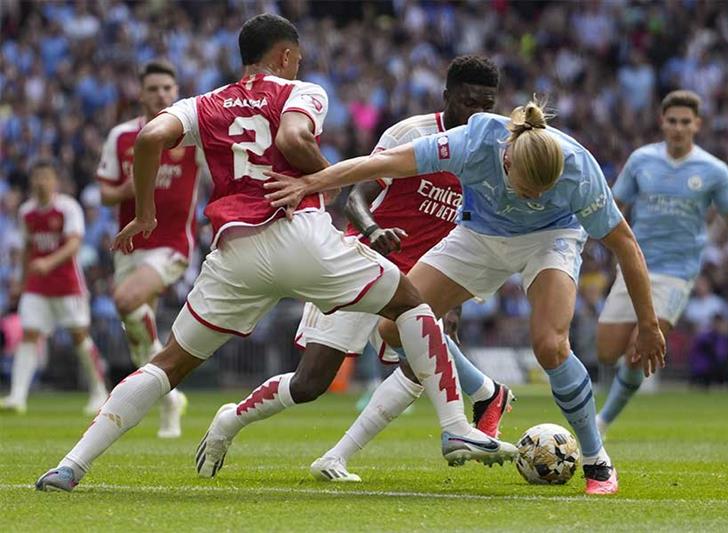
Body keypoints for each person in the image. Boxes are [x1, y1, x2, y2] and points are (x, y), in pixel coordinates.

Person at [35, 13, 516, 493]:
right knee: (411, 303)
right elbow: (291, 137)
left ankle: (71, 466)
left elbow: (148, 138)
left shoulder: (202, 103)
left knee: (169, 363)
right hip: (299, 233)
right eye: (297, 58)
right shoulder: (301, 91)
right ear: (285, 56)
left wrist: (143, 214)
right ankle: (455, 427)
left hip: (234, 252)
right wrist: (325, 179)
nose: (298, 64)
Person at [261, 98, 668, 496]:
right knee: (393, 328)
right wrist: (311, 182)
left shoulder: (578, 171)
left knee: (551, 346)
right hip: (479, 237)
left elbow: (626, 245)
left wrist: (648, 324)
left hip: (550, 240)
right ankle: (486, 392)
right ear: (506, 161)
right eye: (527, 191)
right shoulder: (471, 144)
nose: (533, 200)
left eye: (543, 193)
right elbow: (382, 163)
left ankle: (597, 460)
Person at [196, 55, 513, 482]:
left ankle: (338, 457)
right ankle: (230, 420)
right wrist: (374, 229)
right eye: (468, 101)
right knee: (310, 384)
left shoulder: (490, 153)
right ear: (447, 97)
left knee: (421, 367)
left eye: (486, 104)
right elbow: (355, 196)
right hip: (359, 267)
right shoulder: (413, 134)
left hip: (418, 281)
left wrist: (453, 296)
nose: (477, 112)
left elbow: (466, 229)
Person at [594, 90, 728, 437]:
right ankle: (603, 410)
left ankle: (602, 422)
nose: (678, 128)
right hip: (635, 265)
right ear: (662, 122)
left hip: (677, 273)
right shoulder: (641, 160)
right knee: (606, 351)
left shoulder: (713, 170)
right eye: (672, 121)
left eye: (685, 122)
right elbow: (614, 205)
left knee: (640, 350)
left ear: (697, 125)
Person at [96, 60, 205, 438]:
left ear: (176, 93)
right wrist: (128, 189)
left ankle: (167, 392)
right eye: (154, 89)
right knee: (138, 338)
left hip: (172, 243)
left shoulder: (191, 133)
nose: (161, 94)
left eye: (167, 89)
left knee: (125, 300)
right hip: (130, 245)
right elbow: (105, 193)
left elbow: (218, 175)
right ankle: (169, 404)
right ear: (141, 94)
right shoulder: (122, 137)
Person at [0, 160, 108, 415]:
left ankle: (99, 390)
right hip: (37, 285)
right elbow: (27, 249)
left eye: (46, 177)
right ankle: (17, 395)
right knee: (29, 334)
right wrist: (21, 280)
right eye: (37, 178)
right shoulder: (26, 212)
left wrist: (48, 262)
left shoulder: (67, 208)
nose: (41, 182)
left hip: (67, 283)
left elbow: (73, 245)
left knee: (79, 335)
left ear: (54, 181)